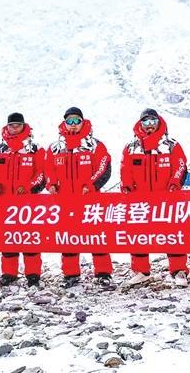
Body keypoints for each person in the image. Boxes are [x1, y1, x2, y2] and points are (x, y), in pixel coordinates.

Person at [45, 107, 113, 288]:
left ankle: (103, 273)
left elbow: (104, 167)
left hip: (90, 201)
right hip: (65, 201)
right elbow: (48, 169)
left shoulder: (95, 145)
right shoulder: (55, 148)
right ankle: (71, 274)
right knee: (68, 238)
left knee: (96, 237)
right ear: (64, 123)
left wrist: (91, 185)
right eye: (70, 121)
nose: (73, 125)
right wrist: (51, 184)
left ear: (83, 122)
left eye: (77, 121)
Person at [120, 108, 189, 287]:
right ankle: (141, 271)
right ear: (140, 124)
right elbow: (125, 169)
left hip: (167, 199)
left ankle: (178, 270)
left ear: (159, 123)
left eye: (153, 121)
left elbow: (180, 165)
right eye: (146, 122)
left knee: (172, 234)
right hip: (140, 200)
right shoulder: (131, 147)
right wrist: (126, 185)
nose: (149, 125)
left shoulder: (171, 145)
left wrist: (175, 182)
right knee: (138, 235)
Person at [0, 112, 46, 288]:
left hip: (28, 203)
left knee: (30, 238)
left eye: (18, 125)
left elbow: (42, 173)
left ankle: (33, 274)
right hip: (4, 202)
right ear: (7, 127)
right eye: (11, 125)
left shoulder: (35, 149)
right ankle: (9, 273)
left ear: (23, 126)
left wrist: (28, 187)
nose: (14, 128)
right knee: (7, 238)